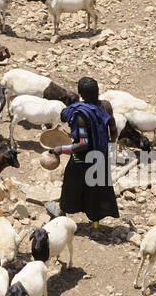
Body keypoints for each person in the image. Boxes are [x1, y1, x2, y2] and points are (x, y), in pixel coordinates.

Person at [49, 76, 118, 227]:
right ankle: (95, 223)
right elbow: (113, 130)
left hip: (82, 158)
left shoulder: (81, 115)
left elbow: (83, 144)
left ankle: (61, 211)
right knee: (97, 188)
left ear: (81, 93)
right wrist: (108, 144)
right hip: (101, 156)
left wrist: (61, 149)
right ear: (98, 91)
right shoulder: (106, 106)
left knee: (70, 183)